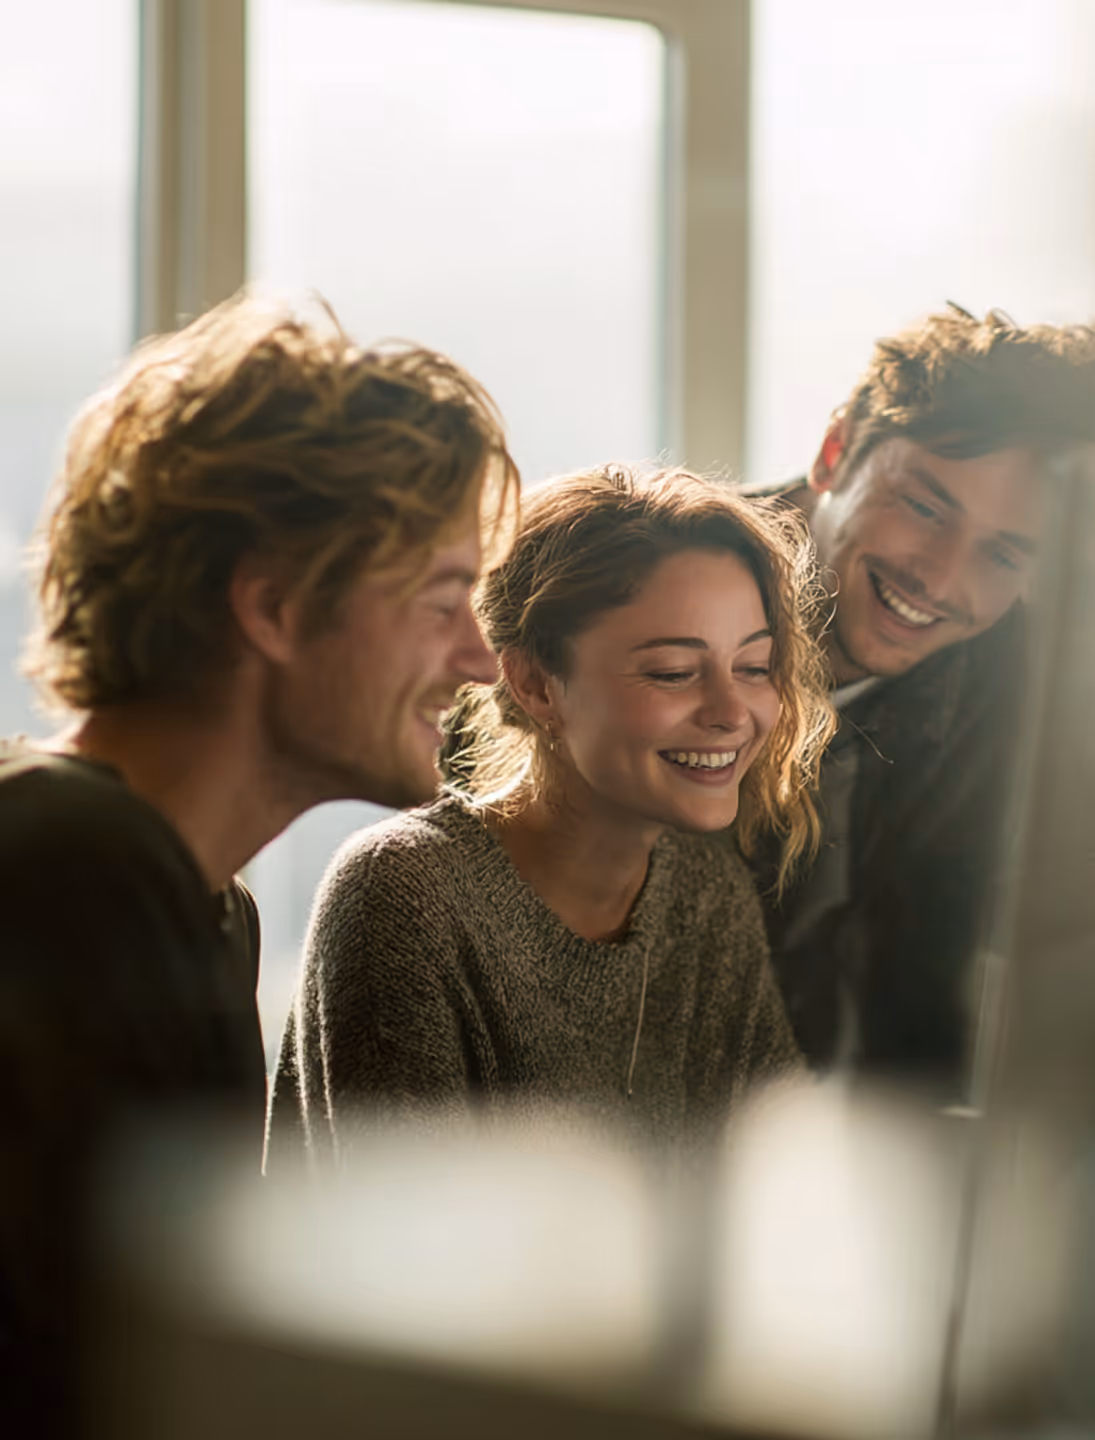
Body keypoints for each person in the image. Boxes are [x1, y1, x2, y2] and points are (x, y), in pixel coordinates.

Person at [0, 295, 518, 1434]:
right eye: (442, 601)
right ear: (275, 606)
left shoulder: (192, 899)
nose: (479, 656)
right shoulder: (77, 870)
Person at [268, 464, 834, 1161]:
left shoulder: (705, 892)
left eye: (754, 667)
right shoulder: (404, 894)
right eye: (672, 672)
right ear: (536, 684)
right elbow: (415, 1251)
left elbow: (785, 1193)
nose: (730, 713)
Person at [749, 306, 1095, 1092]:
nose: (939, 578)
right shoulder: (669, 603)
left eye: (1005, 551)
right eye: (926, 507)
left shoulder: (1001, 674)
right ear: (835, 451)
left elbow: (928, 996)